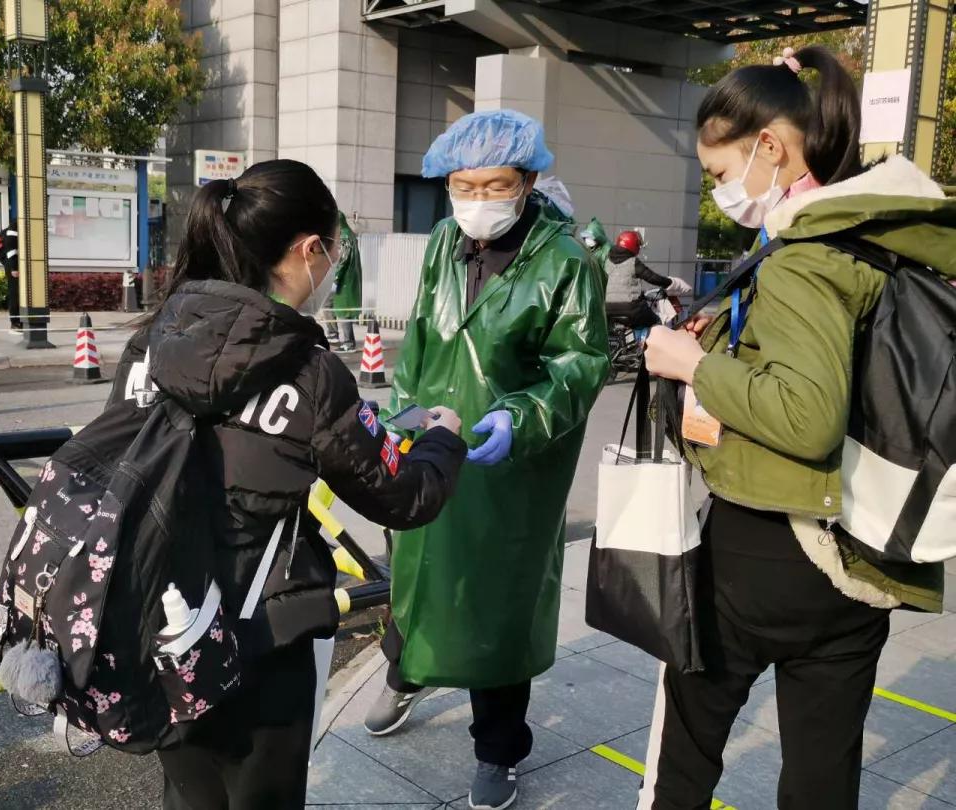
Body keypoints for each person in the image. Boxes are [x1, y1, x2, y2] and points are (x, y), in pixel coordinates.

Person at [639, 46, 953, 809]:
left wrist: (690, 364)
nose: (718, 194)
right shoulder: (878, 237)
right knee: (822, 775)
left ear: (770, 147)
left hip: (767, 552)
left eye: (719, 173)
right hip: (865, 551)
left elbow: (805, 415)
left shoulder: (803, 259)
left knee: (682, 756)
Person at [108, 160, 468, 810]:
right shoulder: (310, 373)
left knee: (189, 798)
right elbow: (403, 496)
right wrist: (444, 436)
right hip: (257, 645)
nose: (333, 267)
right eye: (335, 251)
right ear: (309, 250)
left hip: (154, 626)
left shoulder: (153, 343)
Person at [363, 109, 610, 810]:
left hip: (510, 465)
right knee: (414, 569)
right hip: (431, 441)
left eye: (494, 185)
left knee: (497, 602)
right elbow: (421, 342)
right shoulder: (445, 241)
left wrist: (520, 415)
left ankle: (498, 748)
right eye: (463, 187)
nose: (477, 202)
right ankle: (405, 676)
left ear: (527, 181)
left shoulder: (564, 261)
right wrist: (398, 413)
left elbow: (581, 365)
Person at [604, 230, 691, 329]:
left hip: (608, 308)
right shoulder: (633, 262)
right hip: (631, 308)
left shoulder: (607, 262)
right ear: (634, 246)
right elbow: (652, 278)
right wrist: (670, 282)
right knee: (656, 321)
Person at [324, 212, 361, 352]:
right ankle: (333, 335)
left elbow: (343, 260)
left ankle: (348, 342)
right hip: (347, 280)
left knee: (343, 311)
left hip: (344, 281)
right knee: (330, 305)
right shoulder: (348, 235)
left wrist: (336, 278)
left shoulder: (345, 237)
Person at [0, 227, 22, 331]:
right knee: (15, 293)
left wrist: (5, 263)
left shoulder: (5, 232)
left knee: (15, 293)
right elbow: (12, 251)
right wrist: (13, 267)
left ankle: (17, 321)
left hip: (11, 265)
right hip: (14, 268)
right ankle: (15, 322)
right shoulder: (12, 232)